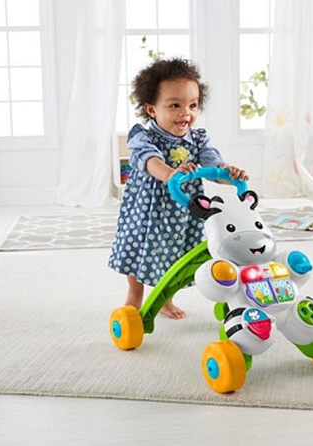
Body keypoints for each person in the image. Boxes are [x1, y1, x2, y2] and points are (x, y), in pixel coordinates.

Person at [108, 57, 249, 319]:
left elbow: (213, 164)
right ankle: (135, 294)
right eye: (175, 105)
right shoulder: (143, 136)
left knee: (178, 255)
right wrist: (170, 173)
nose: (186, 112)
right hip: (148, 209)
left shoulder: (198, 138)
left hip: (184, 209)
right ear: (152, 109)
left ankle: (165, 298)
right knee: (138, 248)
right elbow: (149, 160)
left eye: (192, 105)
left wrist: (230, 174)